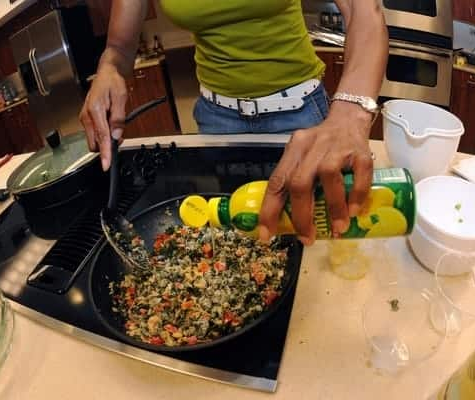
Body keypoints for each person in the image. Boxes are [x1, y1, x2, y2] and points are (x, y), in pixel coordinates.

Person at [80, 0, 388, 245]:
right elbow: (119, 47)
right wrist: (109, 69)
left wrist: (350, 114)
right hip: (217, 123)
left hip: (300, 117)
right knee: (241, 239)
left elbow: (362, 9)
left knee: (319, 237)